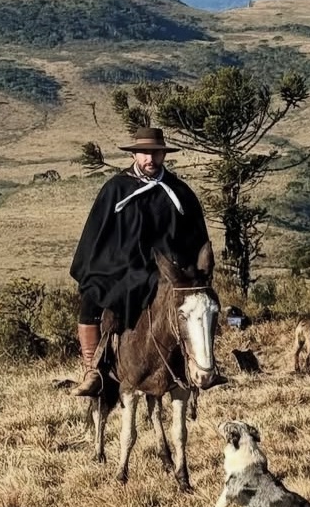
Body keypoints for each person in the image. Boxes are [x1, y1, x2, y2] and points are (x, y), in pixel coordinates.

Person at [68, 127, 211, 396]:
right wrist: (102, 266)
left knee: (202, 306)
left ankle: (202, 364)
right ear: (134, 154)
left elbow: (197, 239)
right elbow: (96, 236)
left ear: (163, 155)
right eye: (145, 153)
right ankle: (93, 370)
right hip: (122, 269)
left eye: (156, 153)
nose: (151, 159)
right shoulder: (115, 189)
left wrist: (192, 271)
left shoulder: (180, 192)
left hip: (168, 272)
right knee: (91, 295)